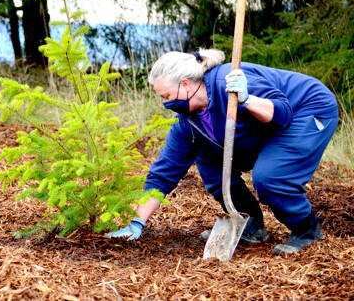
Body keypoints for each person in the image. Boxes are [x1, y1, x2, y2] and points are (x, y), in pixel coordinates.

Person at [107, 49, 338, 256]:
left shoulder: (228, 81)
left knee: (271, 177)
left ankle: (306, 230)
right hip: (263, 126)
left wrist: (246, 99)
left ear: (186, 84)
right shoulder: (188, 123)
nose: (165, 103)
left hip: (305, 109)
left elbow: (282, 114)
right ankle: (250, 224)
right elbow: (163, 173)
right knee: (207, 160)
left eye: (166, 96)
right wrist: (137, 222)